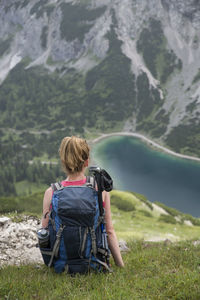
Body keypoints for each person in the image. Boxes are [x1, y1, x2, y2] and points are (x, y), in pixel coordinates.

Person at [42, 136, 124, 268]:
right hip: (95, 264)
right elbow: (109, 231)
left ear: (63, 161)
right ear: (86, 162)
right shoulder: (99, 189)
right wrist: (121, 266)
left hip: (61, 266)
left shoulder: (51, 192)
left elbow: (45, 232)